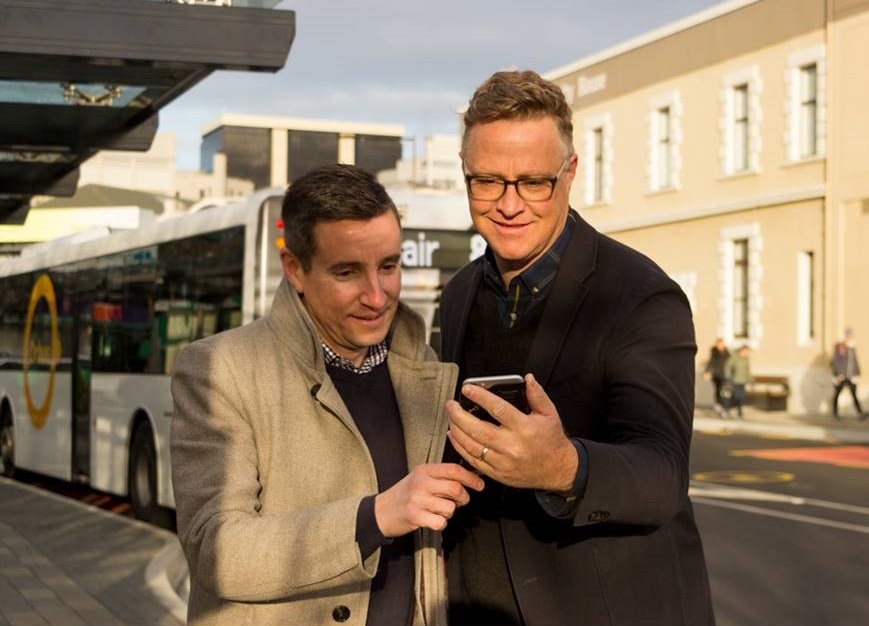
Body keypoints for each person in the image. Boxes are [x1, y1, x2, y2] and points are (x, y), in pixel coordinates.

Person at [439, 69, 714, 625]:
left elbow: (662, 474)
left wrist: (565, 466)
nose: (509, 204)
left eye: (533, 181)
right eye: (487, 181)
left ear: (570, 173)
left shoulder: (640, 295)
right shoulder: (459, 293)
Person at [170, 163, 483, 626]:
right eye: (347, 272)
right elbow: (217, 550)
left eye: (389, 266)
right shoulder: (220, 369)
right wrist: (374, 517)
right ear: (295, 269)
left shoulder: (427, 368)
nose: (377, 296)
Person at [831, 328, 867, 421]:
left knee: (854, 395)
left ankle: (860, 413)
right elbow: (836, 361)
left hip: (850, 376)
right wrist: (839, 373)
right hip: (841, 376)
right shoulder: (840, 346)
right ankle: (835, 413)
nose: (850, 337)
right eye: (849, 335)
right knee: (837, 394)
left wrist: (857, 373)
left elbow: (854, 361)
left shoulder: (852, 347)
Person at [724, 345, 752, 419]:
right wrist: (728, 378)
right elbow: (728, 367)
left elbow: (747, 371)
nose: (747, 353)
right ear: (742, 350)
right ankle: (726, 409)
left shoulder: (746, 359)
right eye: (746, 351)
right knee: (736, 397)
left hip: (743, 381)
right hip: (735, 381)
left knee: (742, 398)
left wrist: (751, 381)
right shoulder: (735, 357)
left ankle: (739, 414)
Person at [704, 337, 730, 416]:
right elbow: (711, 362)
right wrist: (707, 371)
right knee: (717, 390)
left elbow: (730, 364)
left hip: (724, 375)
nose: (719, 346)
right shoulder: (714, 352)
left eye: (721, 344)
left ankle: (724, 408)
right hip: (716, 375)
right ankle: (718, 406)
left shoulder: (727, 353)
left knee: (724, 392)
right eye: (718, 344)